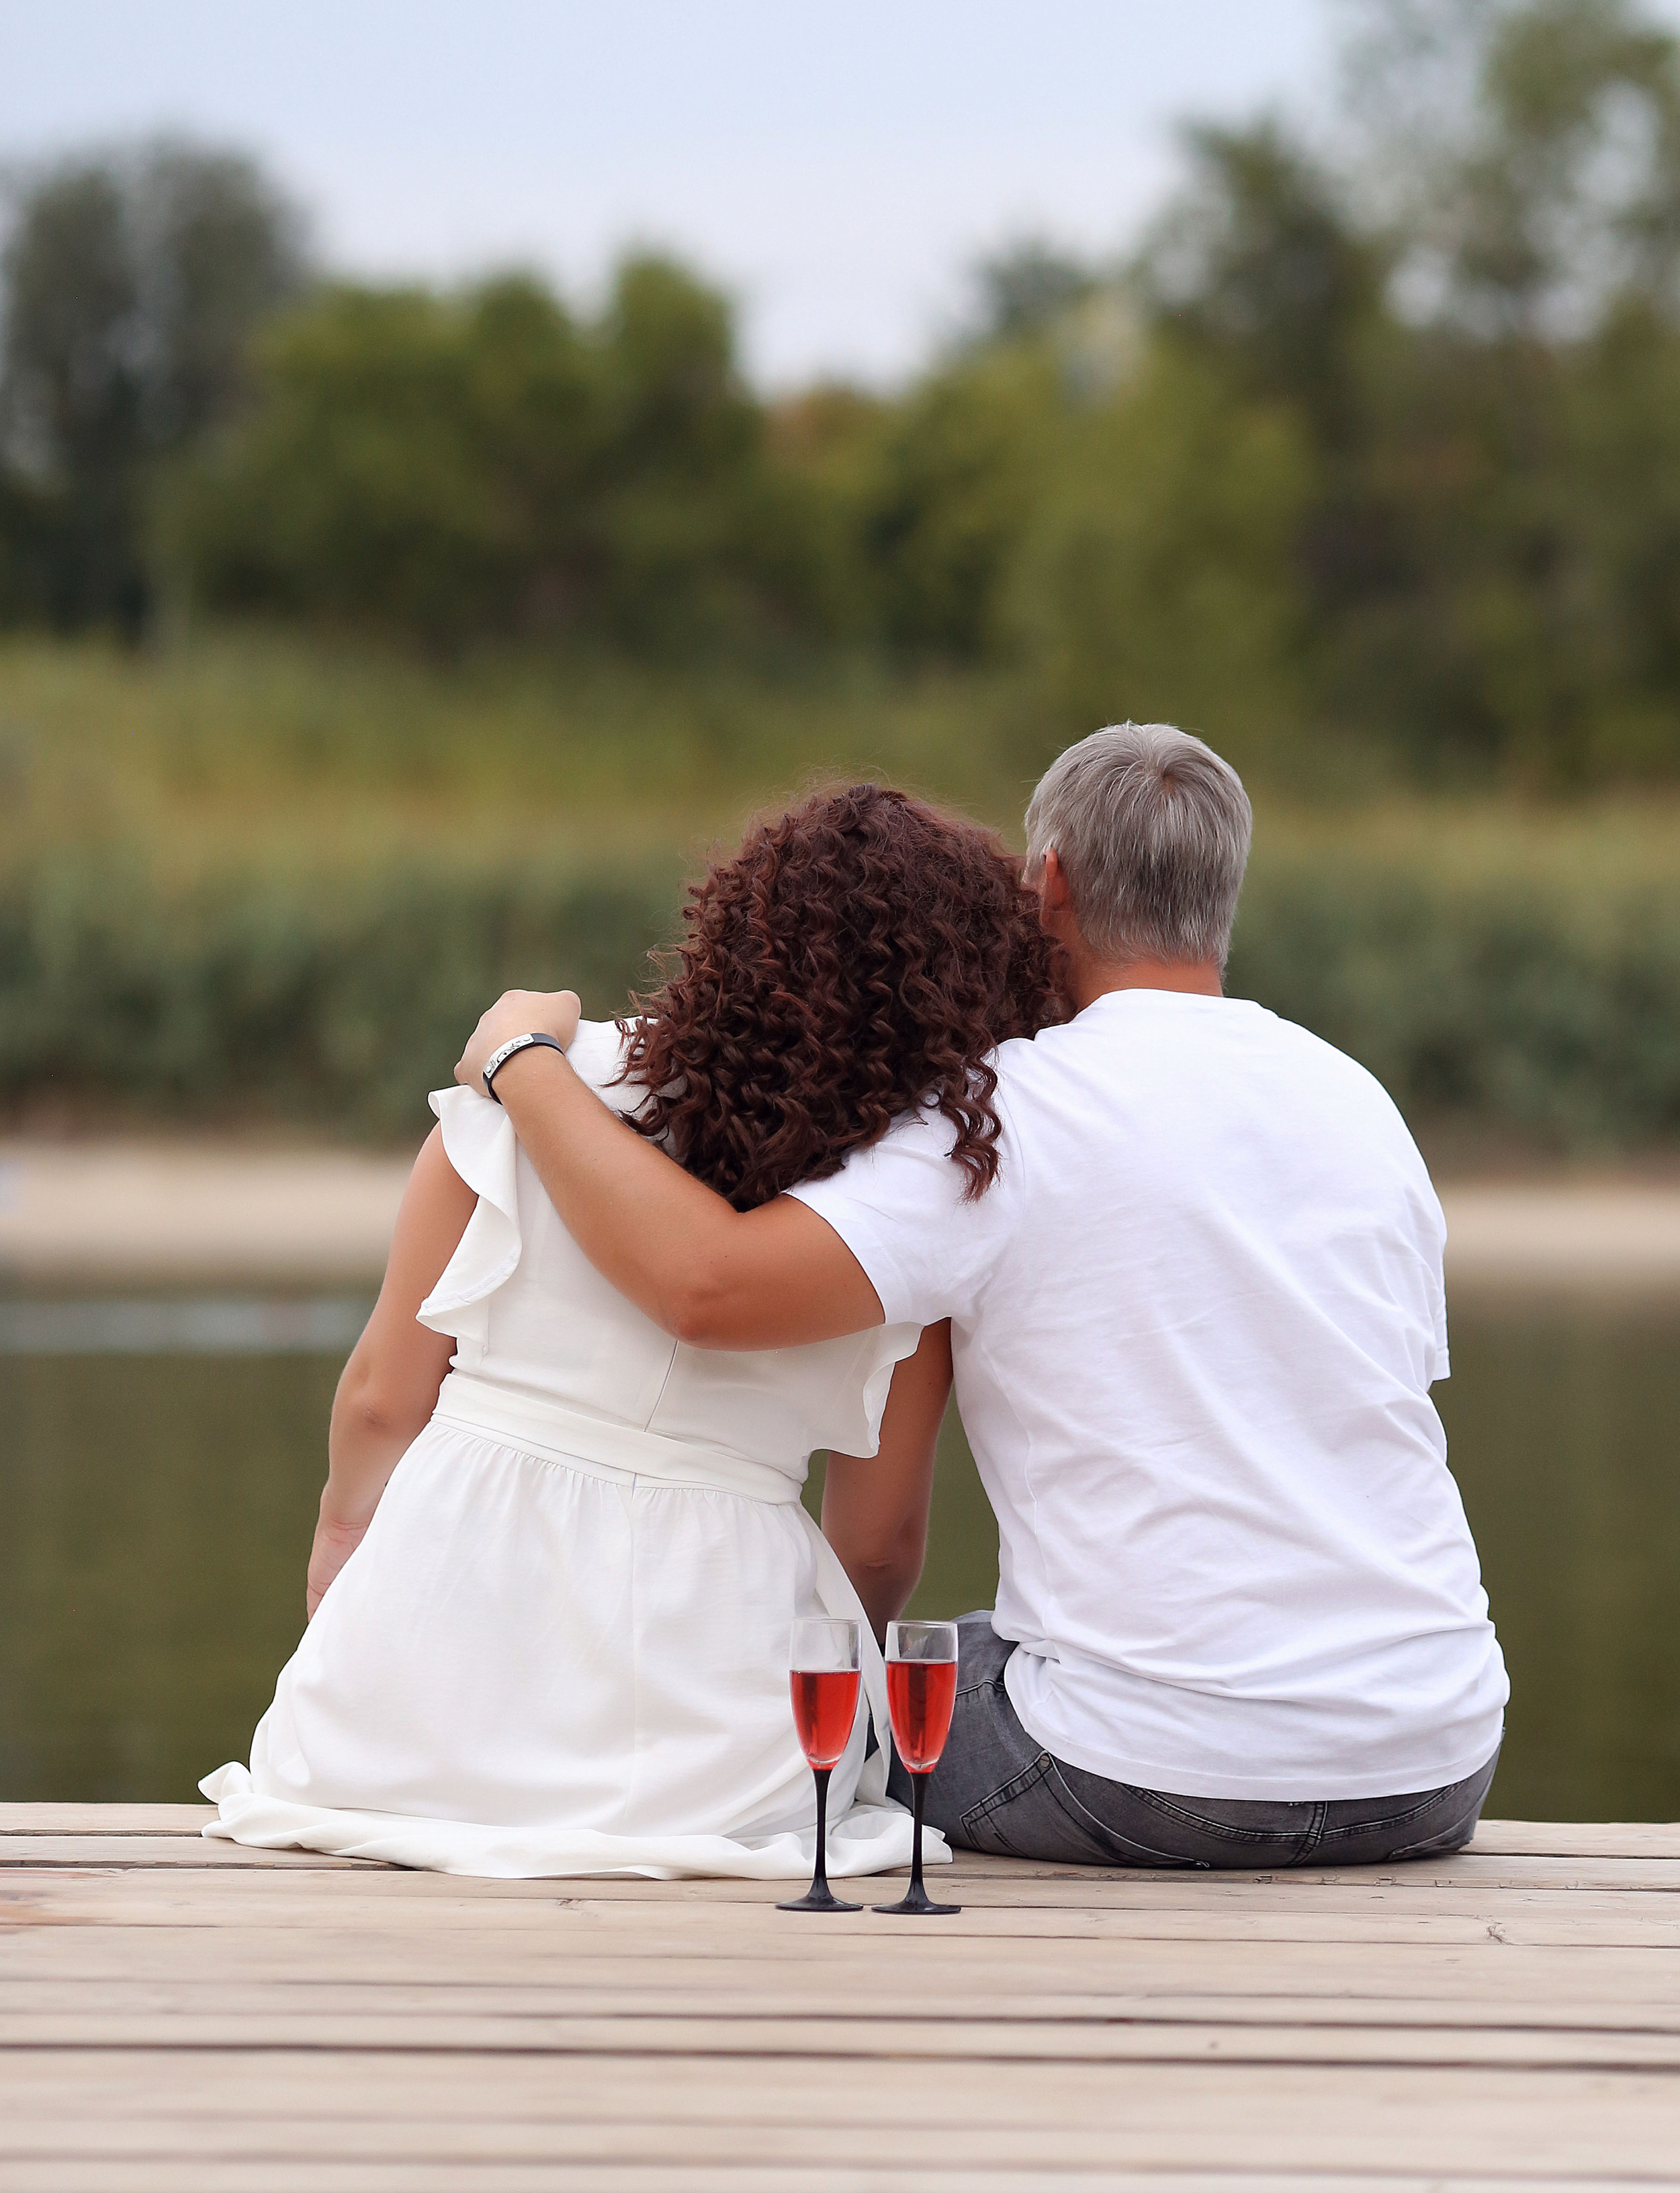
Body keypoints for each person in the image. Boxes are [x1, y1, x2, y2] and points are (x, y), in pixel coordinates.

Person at [458, 723, 1509, 1872]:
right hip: (1434, 1759)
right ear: (1223, 893)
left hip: (1146, 1776)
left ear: (1046, 882)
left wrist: (525, 1065)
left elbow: (708, 1289)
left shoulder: (1002, 1118)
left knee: (841, 1691)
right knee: (982, 1652)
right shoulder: (1358, 1105)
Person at [200, 783, 1065, 1879]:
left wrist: (344, 1558)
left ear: (735, 931)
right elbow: (881, 1542)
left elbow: (384, 1395)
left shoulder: (534, 1088)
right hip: (716, 1720)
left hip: (430, 1667)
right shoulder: (904, 1215)